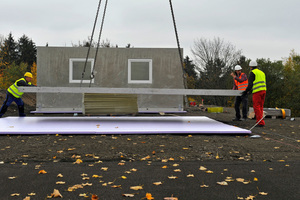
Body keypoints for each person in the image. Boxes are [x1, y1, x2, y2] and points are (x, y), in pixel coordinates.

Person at [242, 61, 267, 127]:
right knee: (261, 106)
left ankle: (260, 122)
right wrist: (250, 92)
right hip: (263, 91)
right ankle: (261, 121)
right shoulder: (262, 72)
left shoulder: (252, 73)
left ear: (250, 67)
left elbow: (250, 84)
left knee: (256, 106)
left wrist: (245, 92)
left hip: (257, 92)